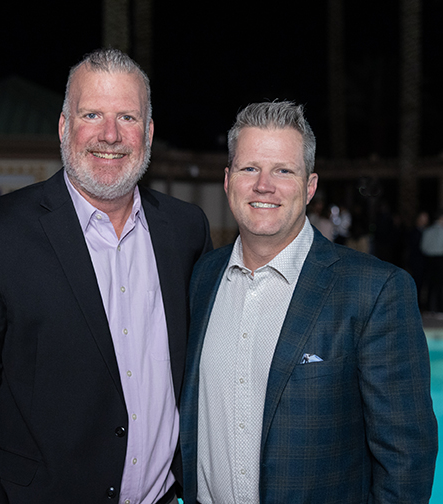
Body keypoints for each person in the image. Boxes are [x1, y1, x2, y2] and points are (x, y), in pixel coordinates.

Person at [0, 48, 212, 504]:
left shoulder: (186, 230)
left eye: (128, 117)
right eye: (91, 114)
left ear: (149, 132)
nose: (110, 134)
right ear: (63, 127)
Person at [180, 101, 437, 503]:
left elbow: (406, 459)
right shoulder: (202, 277)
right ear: (228, 180)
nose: (264, 185)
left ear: (310, 185)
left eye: (283, 170)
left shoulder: (374, 291)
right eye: (250, 169)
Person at [421, 210, 443, 315]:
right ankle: (439, 308)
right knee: (439, 286)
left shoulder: (427, 230)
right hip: (440, 260)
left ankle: (429, 308)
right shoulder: (440, 231)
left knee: (430, 285)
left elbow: (423, 247)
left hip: (429, 260)